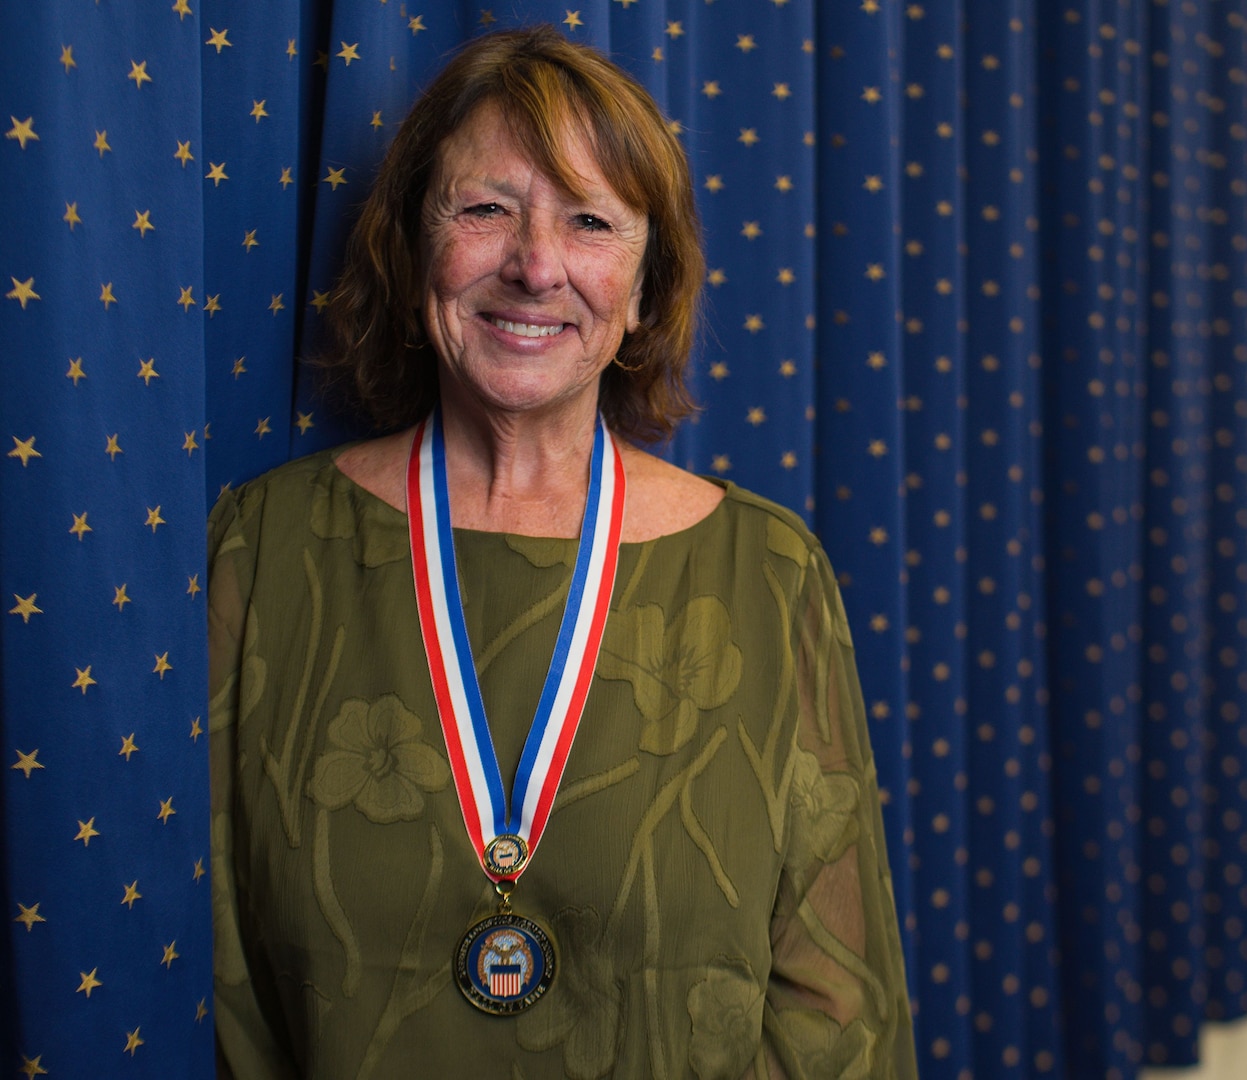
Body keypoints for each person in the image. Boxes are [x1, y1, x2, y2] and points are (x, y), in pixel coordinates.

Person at [206, 25, 917, 1080]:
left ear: (643, 290)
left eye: (589, 220)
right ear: (410, 252)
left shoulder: (769, 573)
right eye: (485, 210)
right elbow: (205, 976)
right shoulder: (264, 550)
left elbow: (837, 1014)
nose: (535, 266)